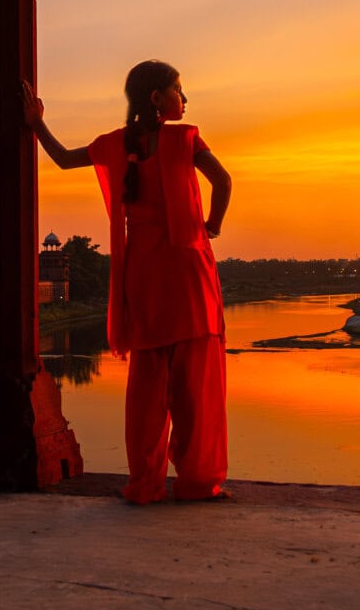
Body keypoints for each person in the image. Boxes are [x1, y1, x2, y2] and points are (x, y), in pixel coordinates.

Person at [23, 60, 233, 503]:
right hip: (188, 273)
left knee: (148, 382)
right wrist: (211, 224)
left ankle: (146, 481)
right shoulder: (185, 138)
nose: (185, 99)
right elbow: (224, 181)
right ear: (157, 98)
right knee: (194, 383)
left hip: (144, 273)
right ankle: (197, 480)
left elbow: (61, 160)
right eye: (180, 89)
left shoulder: (117, 145)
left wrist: (37, 123)